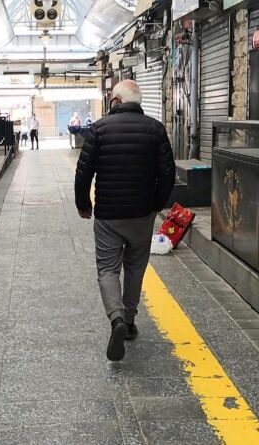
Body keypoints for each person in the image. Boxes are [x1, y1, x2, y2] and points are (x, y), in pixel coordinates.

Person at [74, 80, 175, 361]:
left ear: (116, 101)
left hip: (108, 214)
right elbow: (168, 173)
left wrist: (84, 204)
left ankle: (116, 318)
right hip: (141, 213)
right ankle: (129, 322)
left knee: (107, 268)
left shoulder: (99, 129)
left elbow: (83, 172)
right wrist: (156, 204)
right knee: (135, 267)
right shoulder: (155, 130)